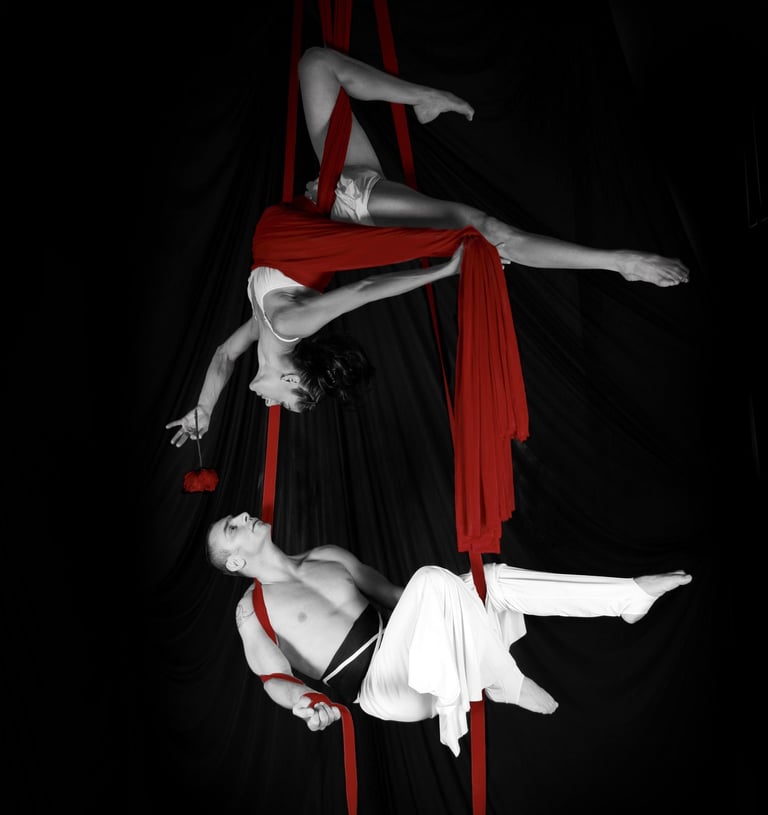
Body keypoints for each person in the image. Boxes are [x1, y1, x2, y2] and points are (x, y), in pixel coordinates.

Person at [166, 46, 690, 441]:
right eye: (289, 404)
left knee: (316, 64)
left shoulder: (265, 330)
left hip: (332, 198)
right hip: (353, 205)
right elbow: (367, 289)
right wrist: (442, 271)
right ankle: (619, 262)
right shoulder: (289, 326)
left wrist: (204, 411)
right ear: (295, 383)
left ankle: (423, 100)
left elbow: (220, 358)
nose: (270, 406)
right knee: (487, 232)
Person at [207, 510, 692, 756]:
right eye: (233, 526)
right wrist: (301, 703)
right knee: (436, 581)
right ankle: (504, 682)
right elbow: (271, 677)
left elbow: (400, 599)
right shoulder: (252, 611)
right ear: (234, 561)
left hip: (414, 648)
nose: (244, 516)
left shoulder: (328, 556)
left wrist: (470, 597)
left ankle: (627, 598)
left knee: (489, 583)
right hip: (384, 690)